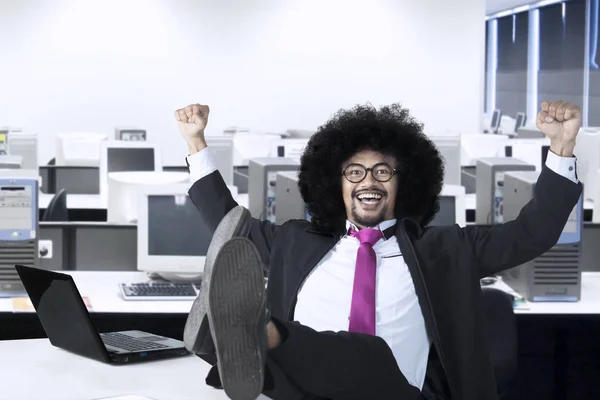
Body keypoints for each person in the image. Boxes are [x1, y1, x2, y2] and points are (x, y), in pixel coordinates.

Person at [175, 101, 583, 400]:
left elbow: (533, 232)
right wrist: (196, 143)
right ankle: (248, 342)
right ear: (335, 183)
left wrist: (562, 148)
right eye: (354, 171)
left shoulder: (445, 248)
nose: (368, 181)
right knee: (319, 358)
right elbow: (229, 225)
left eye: (382, 171)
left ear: (403, 183)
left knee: (369, 356)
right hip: (305, 392)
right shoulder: (295, 241)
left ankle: (262, 335)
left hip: (399, 393)